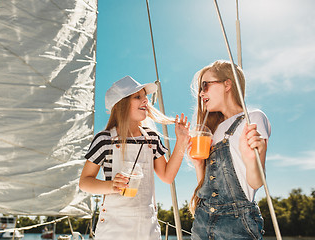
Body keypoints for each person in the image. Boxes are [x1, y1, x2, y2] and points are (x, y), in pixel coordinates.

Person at [79, 75, 190, 240]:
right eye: (137, 97)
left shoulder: (151, 138)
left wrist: (181, 142)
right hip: (113, 229)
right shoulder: (104, 140)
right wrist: (111, 186)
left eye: (145, 97)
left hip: (147, 227)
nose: (145, 101)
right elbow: (85, 182)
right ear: (121, 104)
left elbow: (167, 177)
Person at [188, 60, 271, 240]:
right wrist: (198, 164)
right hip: (202, 220)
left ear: (227, 84)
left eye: (205, 85)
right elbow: (207, 187)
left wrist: (251, 161)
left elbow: (256, 183)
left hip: (236, 223)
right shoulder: (213, 130)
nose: (202, 93)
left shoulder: (252, 118)